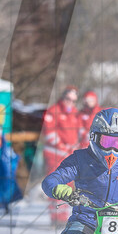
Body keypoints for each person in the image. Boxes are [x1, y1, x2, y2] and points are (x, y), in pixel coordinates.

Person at [40, 86, 84, 225]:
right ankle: (55, 218)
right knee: (55, 184)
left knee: (68, 186)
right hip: (54, 155)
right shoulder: (53, 111)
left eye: (73, 101)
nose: (70, 103)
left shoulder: (75, 113)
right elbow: (49, 133)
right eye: (68, 99)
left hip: (68, 155)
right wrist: (62, 146)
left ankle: (63, 216)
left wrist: (78, 146)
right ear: (63, 97)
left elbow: (80, 132)